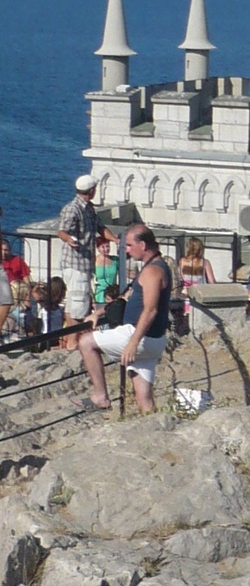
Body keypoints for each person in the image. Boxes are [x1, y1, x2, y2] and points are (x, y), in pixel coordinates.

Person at [78, 225, 173, 415]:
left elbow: (150, 310)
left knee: (86, 342)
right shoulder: (156, 266)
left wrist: (133, 343)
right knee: (144, 398)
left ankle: (100, 396)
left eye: (129, 245)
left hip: (140, 336)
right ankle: (153, 424)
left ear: (143, 245)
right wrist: (98, 313)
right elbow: (125, 297)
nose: (126, 250)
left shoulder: (152, 271)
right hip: (154, 338)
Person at [57, 173, 111, 339]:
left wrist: (116, 240)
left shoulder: (89, 208)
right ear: (92, 190)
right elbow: (62, 231)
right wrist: (69, 239)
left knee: (75, 303)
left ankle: (71, 340)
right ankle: (73, 341)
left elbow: (100, 227)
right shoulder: (73, 209)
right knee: (78, 305)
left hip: (84, 263)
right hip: (76, 263)